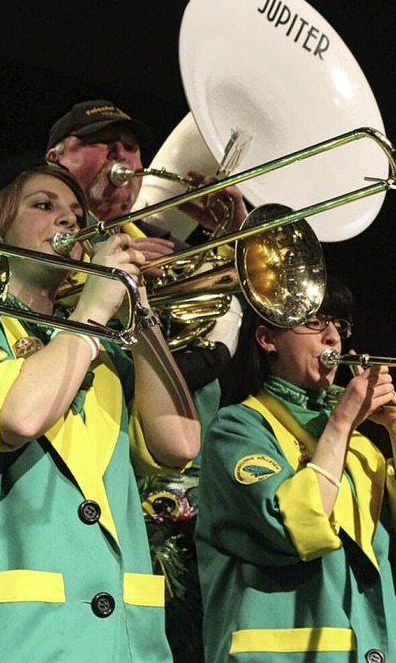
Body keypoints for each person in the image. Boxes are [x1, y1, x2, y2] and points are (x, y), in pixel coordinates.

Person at [0, 154, 200, 663]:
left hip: (124, 643)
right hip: (8, 638)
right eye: (43, 205)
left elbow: (179, 443)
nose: (70, 220)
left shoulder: (102, 348)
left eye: (76, 212)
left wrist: (139, 307)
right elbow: (18, 415)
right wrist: (93, 311)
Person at [45, 98, 247, 663]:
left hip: (182, 490)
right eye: (100, 141)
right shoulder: (39, 248)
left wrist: (227, 239)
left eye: (130, 144)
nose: (121, 155)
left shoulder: (172, 248)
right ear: (56, 156)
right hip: (88, 481)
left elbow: (221, 346)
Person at [195, 278, 396, 663]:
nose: (333, 337)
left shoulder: (354, 443)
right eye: (314, 321)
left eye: (340, 326)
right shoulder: (238, 428)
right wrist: (342, 422)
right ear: (267, 339)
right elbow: (289, 529)